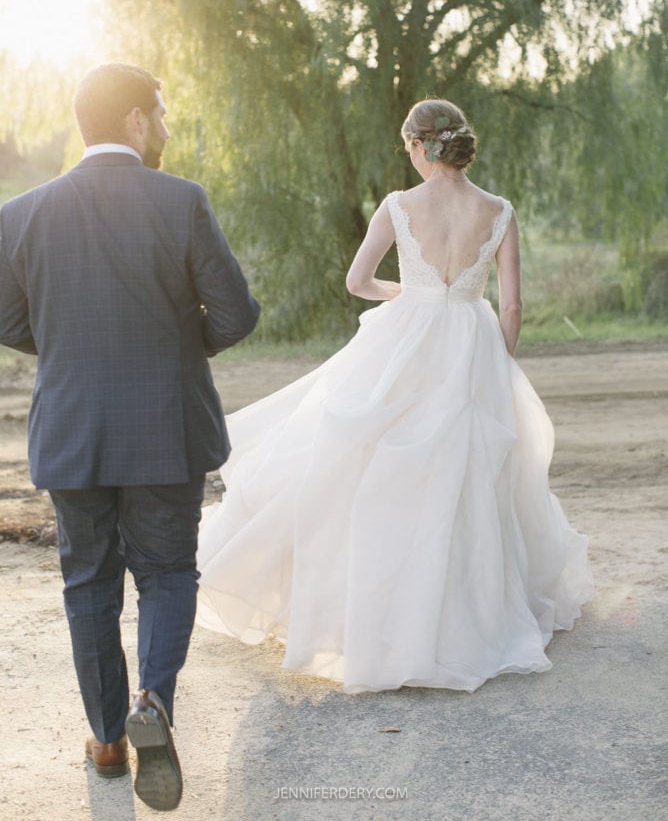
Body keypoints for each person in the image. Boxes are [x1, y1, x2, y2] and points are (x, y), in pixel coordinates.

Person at [196, 97, 593, 694]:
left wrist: (410, 295)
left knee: (370, 467)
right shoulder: (499, 210)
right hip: (474, 342)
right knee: (470, 479)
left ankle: (373, 617)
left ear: (417, 144)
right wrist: (496, 362)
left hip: (408, 341)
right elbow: (511, 306)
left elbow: (358, 282)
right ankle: (465, 613)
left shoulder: (399, 206)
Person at [0, 63, 260, 811]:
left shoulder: (21, 214)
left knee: (87, 583)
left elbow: (9, 319)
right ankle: (153, 706)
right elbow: (236, 315)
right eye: (164, 116)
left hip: (73, 427)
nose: (168, 131)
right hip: (164, 427)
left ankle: (110, 742)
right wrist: (168, 349)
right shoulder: (180, 201)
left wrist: (72, 349)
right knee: (167, 573)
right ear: (137, 122)